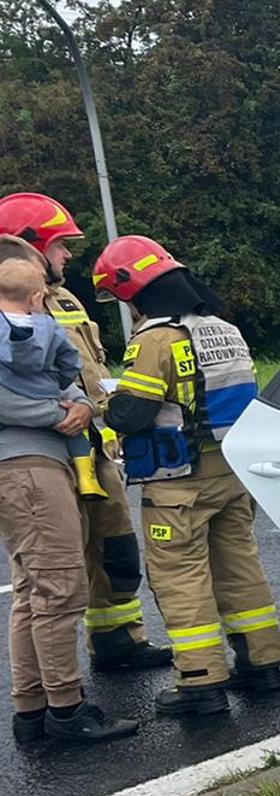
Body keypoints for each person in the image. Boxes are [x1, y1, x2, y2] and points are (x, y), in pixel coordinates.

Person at [95, 235, 280, 715]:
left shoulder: (155, 340)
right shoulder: (226, 329)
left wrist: (103, 404)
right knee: (240, 568)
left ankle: (201, 683)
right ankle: (261, 665)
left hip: (178, 481)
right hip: (231, 473)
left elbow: (133, 414)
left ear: (136, 291)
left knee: (181, 579)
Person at [0, 193, 172, 672]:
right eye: (59, 245)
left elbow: (89, 369)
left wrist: (97, 411)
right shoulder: (9, 305)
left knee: (115, 547)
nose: (68, 255)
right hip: (38, 455)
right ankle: (51, 689)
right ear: (29, 248)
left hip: (92, 445)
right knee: (49, 571)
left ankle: (118, 640)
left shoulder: (67, 299)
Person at [0, 251, 140, 744]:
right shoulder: (32, 325)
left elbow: (69, 379)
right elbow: (50, 387)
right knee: (60, 589)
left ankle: (33, 711)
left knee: (33, 595)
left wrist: (78, 403)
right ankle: (66, 707)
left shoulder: (37, 329)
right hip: (27, 467)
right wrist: (58, 414)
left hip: (36, 463)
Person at [0, 244, 106, 501]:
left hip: (38, 433)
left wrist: (83, 406)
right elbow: (70, 362)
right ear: (36, 299)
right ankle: (88, 479)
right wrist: (70, 407)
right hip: (28, 454)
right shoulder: (48, 325)